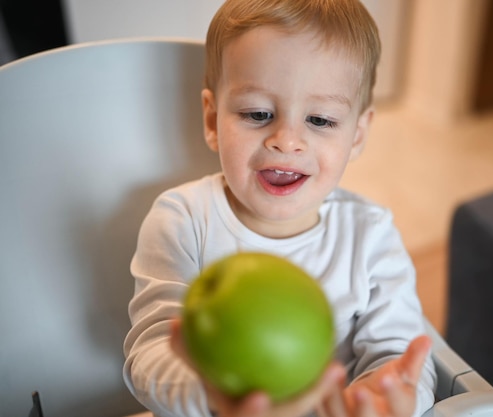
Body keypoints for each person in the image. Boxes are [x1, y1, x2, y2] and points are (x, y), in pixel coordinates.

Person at [123, 0, 437, 416]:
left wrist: (382, 398)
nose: (287, 140)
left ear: (358, 135)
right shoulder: (182, 221)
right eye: (258, 113)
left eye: (321, 120)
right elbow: (150, 353)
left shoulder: (371, 235)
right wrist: (209, 396)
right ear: (214, 121)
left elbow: (399, 352)